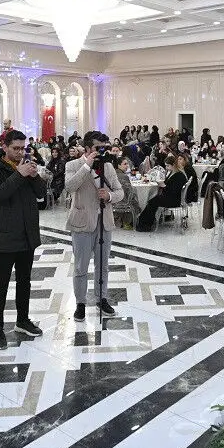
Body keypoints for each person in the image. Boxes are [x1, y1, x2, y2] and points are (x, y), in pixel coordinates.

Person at [0, 130, 47, 349]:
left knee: (24, 281)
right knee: (1, 284)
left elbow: (41, 193)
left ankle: (23, 320)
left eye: (22, 148)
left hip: (27, 234)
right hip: (5, 236)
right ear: (5, 147)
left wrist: (34, 175)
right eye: (15, 148)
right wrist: (19, 174)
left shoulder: (26, 165)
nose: (20, 152)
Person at [65, 132, 124, 321]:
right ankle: (80, 303)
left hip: (104, 222)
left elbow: (120, 191)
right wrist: (86, 166)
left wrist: (110, 196)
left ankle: (101, 298)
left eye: (105, 148)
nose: (102, 151)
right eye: (99, 148)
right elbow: (70, 187)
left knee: (103, 265)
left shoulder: (108, 166)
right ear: (88, 148)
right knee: (81, 267)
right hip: (82, 221)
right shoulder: (73, 165)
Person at [136, 154, 188, 231]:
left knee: (152, 202)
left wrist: (163, 186)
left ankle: (145, 224)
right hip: (173, 197)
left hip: (174, 200)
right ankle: (145, 222)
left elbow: (173, 191)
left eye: (168, 166)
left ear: (173, 165)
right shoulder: (174, 172)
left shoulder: (179, 175)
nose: (166, 168)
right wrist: (163, 184)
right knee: (152, 200)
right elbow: (171, 186)